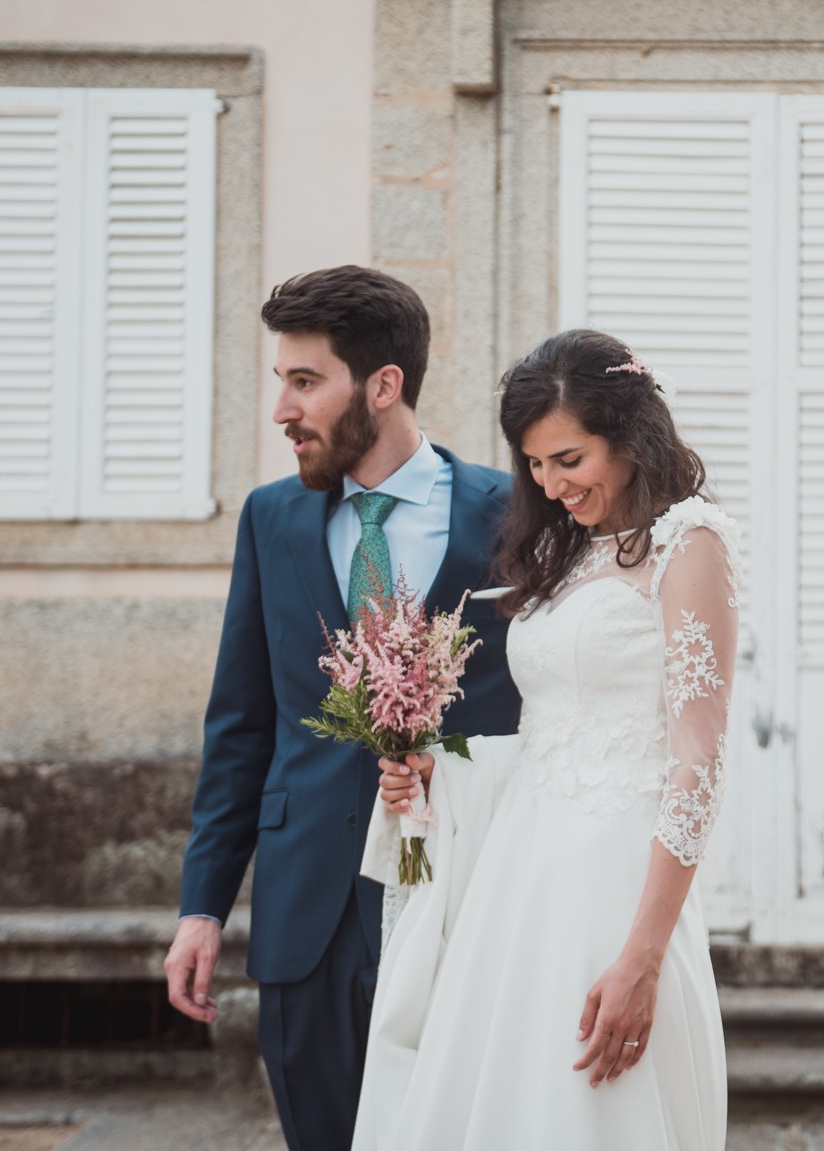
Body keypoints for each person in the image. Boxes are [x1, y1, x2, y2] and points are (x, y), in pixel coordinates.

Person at [165, 266, 521, 1151]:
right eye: (281, 381)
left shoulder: (515, 513)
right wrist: (202, 906)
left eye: (304, 380)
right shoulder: (270, 519)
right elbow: (242, 724)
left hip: (463, 898)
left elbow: (545, 707)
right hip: (306, 910)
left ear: (384, 385)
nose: (283, 408)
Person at [353, 328, 735, 1151]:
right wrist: (438, 768)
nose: (551, 483)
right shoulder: (564, 552)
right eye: (534, 462)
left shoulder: (689, 543)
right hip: (516, 878)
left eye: (570, 458)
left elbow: (698, 758)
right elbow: (546, 734)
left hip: (615, 885)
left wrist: (643, 956)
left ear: (629, 437)